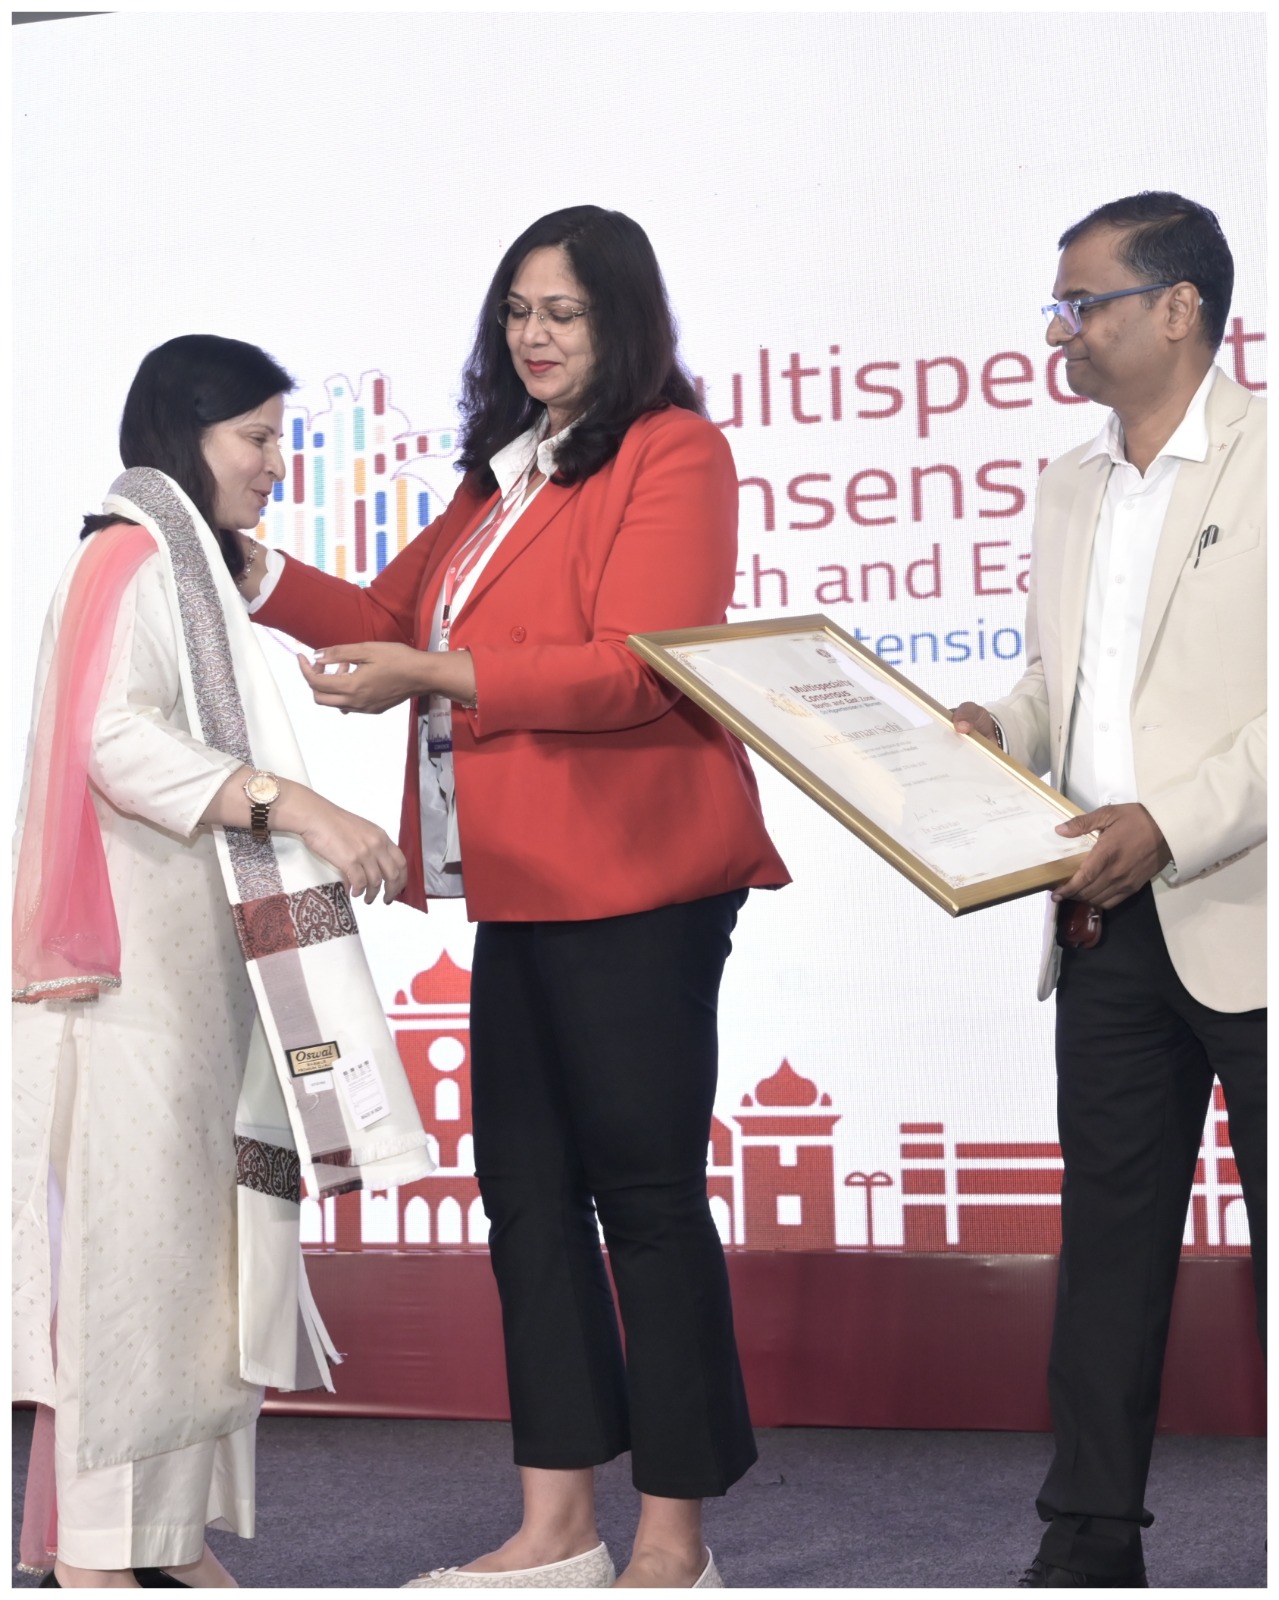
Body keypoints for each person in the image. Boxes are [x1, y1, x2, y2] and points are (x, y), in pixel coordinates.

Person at [239, 205, 791, 1589]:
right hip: (523, 885)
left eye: (564, 312)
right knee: (526, 1201)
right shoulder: (504, 478)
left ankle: (672, 1541)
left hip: (639, 878)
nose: (534, 336)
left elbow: (638, 668)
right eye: (517, 312)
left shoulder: (673, 449)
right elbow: (385, 615)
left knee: (644, 1201)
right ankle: (557, 1529)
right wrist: (243, 567)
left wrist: (437, 676)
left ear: (622, 321)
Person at [12, 334, 433, 1589]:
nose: (275, 465)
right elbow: (112, 740)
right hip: (128, 987)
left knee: (198, 1263)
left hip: (198, 982)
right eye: (256, 437)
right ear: (186, 433)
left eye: (278, 438)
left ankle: (165, 1535)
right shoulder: (127, 555)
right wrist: (298, 806)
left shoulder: (188, 567)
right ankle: (96, 1553)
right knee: (130, 1264)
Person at [952, 193, 1265, 1587]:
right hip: (1100, 919)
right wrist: (993, 731)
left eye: (1080, 303)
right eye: (1057, 306)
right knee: (1108, 1250)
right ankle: (1085, 1540)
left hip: (1252, 913)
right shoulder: (1066, 485)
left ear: (1177, 308)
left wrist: (1171, 825)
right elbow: (1057, 689)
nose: (1057, 331)